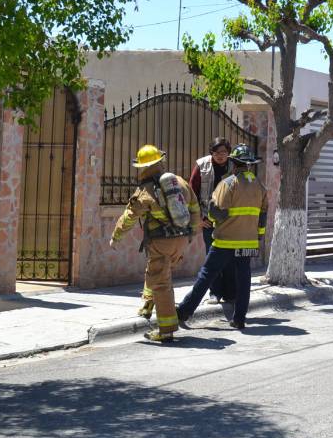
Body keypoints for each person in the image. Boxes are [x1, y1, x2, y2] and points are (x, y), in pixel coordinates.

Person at [110, 144, 198, 343]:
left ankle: (166, 330)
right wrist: (191, 234)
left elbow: (130, 216)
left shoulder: (145, 190)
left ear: (142, 167)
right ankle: (147, 304)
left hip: (161, 241)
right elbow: (194, 207)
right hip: (181, 239)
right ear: (161, 161)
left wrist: (116, 236)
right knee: (159, 272)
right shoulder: (180, 182)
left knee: (161, 284)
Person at [177, 144, 267, 331]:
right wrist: (258, 237)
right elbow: (262, 217)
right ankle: (239, 319)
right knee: (244, 279)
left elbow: (216, 213)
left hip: (225, 240)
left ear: (233, 162)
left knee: (207, 275)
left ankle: (184, 312)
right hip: (248, 241)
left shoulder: (227, 184)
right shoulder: (260, 187)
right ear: (250, 164)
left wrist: (209, 214)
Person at [189, 136, 233, 304]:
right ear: (211, 152)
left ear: (228, 153)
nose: (220, 155)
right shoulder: (202, 165)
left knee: (230, 257)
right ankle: (215, 292)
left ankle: (230, 293)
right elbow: (191, 193)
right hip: (208, 219)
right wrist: (198, 218)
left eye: (224, 152)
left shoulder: (234, 165)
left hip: (229, 220)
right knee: (212, 256)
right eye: (217, 152)